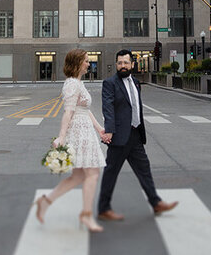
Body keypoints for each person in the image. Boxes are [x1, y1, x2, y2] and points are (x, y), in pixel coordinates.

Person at [97, 49, 178, 221]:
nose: (122, 66)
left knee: (144, 169)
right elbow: (108, 108)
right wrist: (109, 130)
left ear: (132, 64)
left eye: (126, 62)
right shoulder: (109, 83)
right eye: (119, 63)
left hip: (135, 135)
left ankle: (155, 202)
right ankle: (103, 208)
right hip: (119, 136)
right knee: (111, 172)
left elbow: (136, 107)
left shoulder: (135, 81)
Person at [34, 48, 109, 232]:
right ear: (76, 63)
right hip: (78, 132)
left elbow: (85, 110)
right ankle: (86, 215)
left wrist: (99, 128)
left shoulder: (78, 83)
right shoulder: (72, 84)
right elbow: (68, 111)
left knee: (78, 176)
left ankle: (46, 201)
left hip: (85, 130)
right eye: (85, 60)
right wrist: (61, 136)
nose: (88, 63)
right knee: (92, 174)